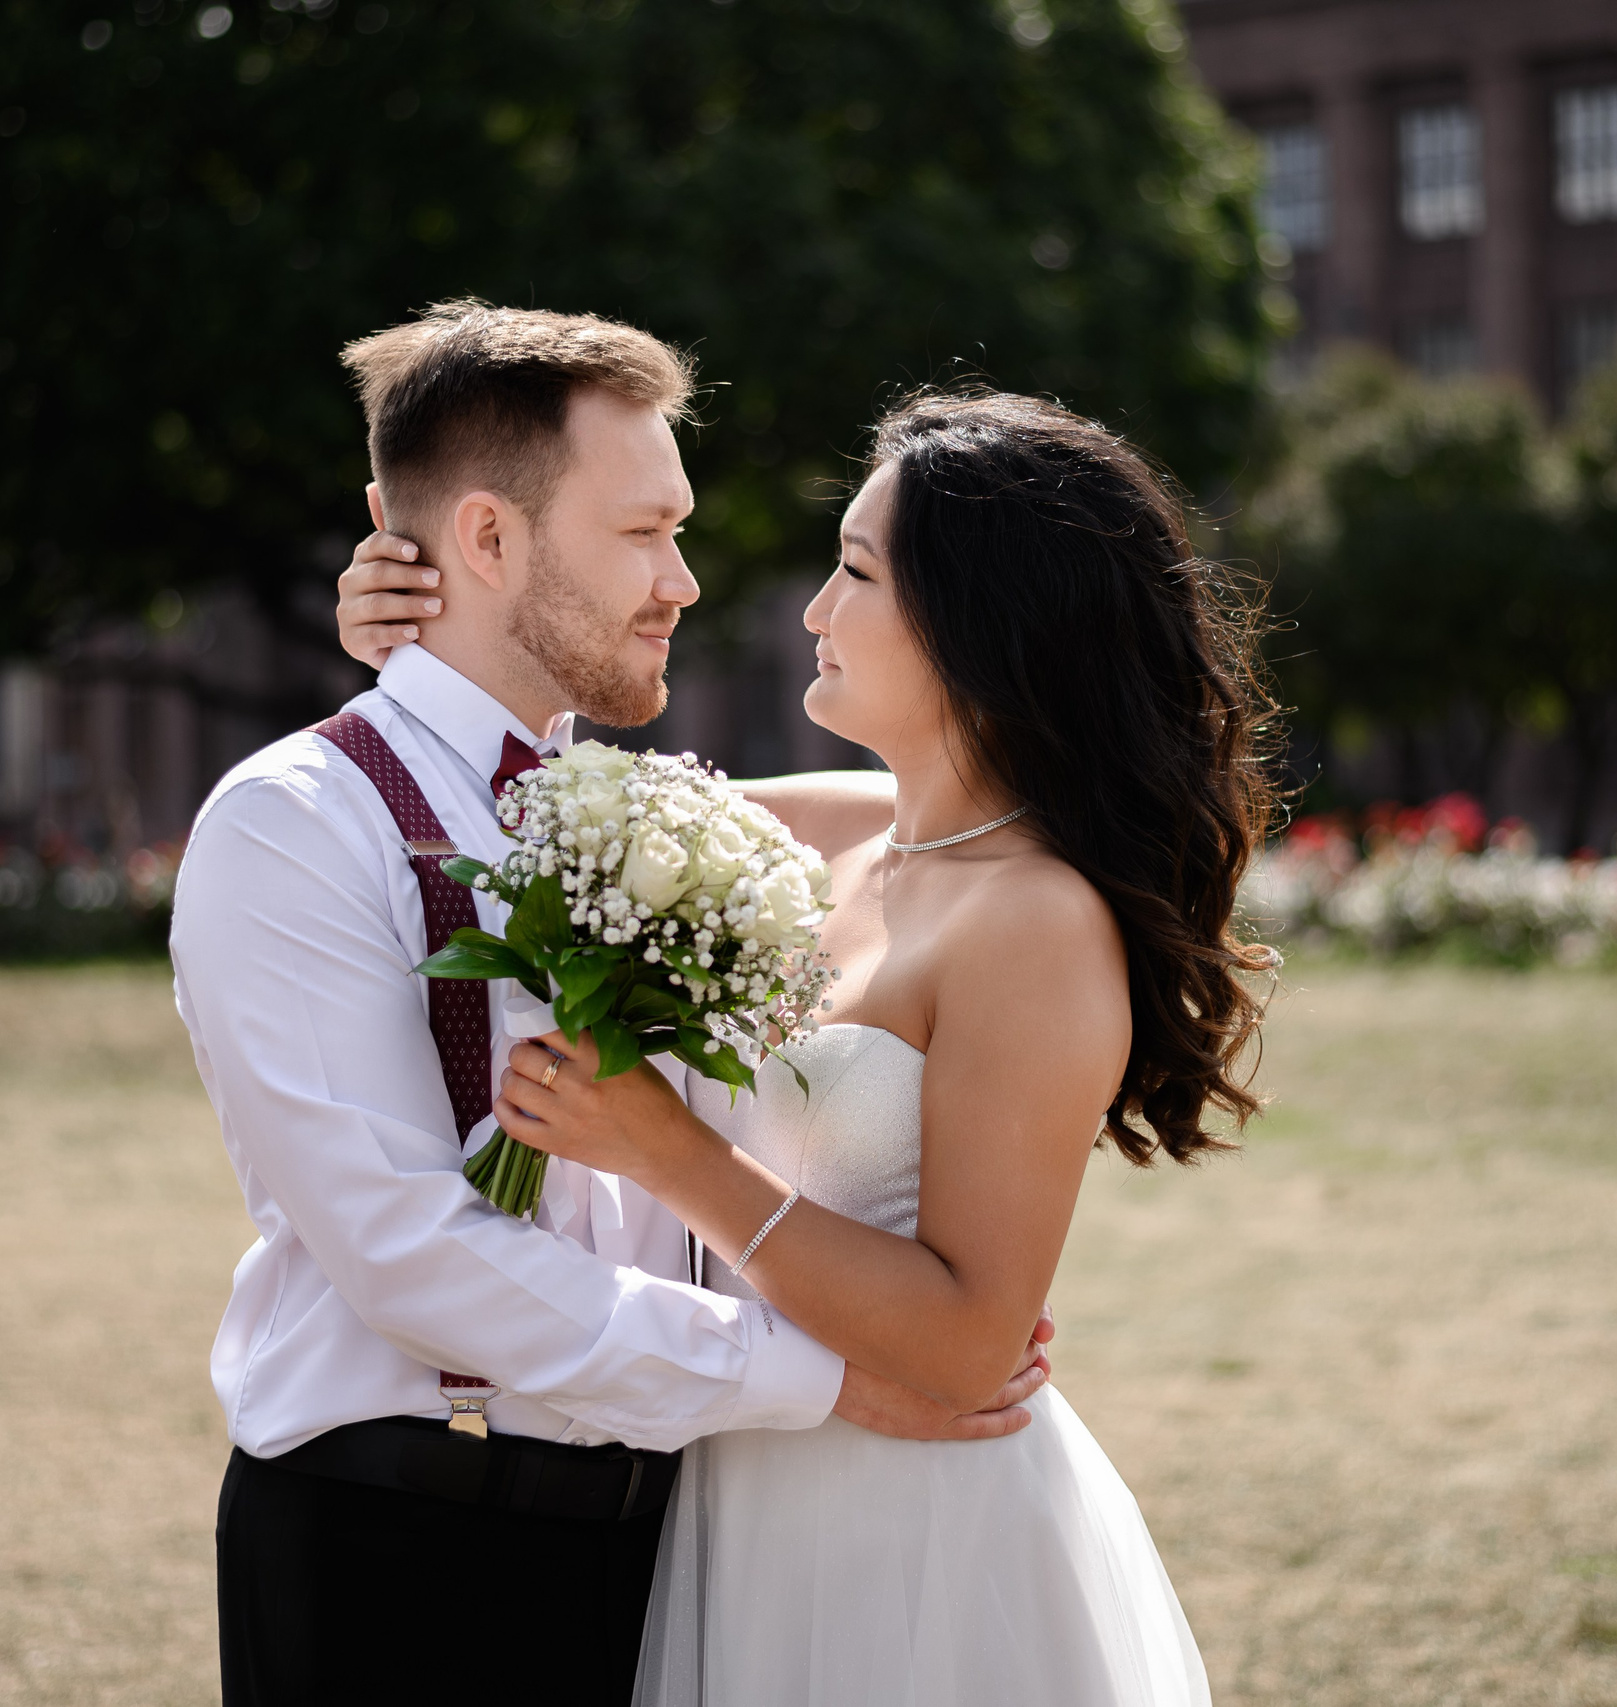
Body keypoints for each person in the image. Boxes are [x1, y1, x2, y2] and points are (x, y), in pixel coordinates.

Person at [336, 388, 1278, 1704]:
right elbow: (537, 802)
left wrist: (668, 1153)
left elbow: (965, 1346)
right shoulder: (837, 831)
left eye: (854, 573)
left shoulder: (1040, 925)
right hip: (742, 1489)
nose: (812, 611)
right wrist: (417, 638)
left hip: (919, 1535)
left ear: (982, 623)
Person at [174, 302, 1048, 1707]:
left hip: (666, 1563)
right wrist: (824, 1382)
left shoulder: (661, 826)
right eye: (644, 532)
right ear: (487, 541)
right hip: (393, 1556)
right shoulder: (292, 827)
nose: (684, 580)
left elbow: (961, 819)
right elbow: (412, 1256)